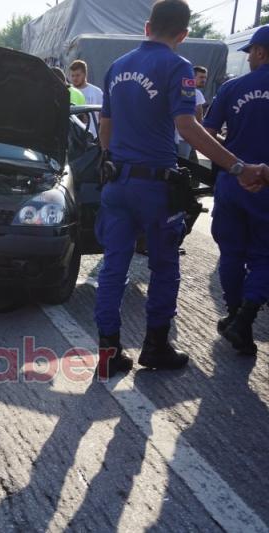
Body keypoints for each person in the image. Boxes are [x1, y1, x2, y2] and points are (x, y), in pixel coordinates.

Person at [94, 0, 268, 378]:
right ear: (184, 34)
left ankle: (108, 353)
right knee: (163, 267)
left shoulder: (116, 67)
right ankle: (155, 346)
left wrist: (111, 158)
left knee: (113, 268)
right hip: (155, 188)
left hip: (117, 182)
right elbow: (188, 127)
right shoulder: (178, 66)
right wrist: (238, 167)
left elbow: (105, 128)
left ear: (146, 27)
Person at [203, 25, 269, 356]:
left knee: (232, 253)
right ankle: (243, 319)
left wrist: (235, 161)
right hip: (266, 184)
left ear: (259, 52)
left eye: (252, 54)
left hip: (234, 179)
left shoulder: (232, 88)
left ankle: (233, 316)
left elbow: (207, 133)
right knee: (265, 256)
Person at [176, 65, 208, 160]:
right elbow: (199, 117)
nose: (204, 80)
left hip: (175, 137)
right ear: (192, 77)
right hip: (186, 138)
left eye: (205, 77)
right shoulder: (196, 93)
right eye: (201, 77)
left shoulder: (178, 90)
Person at [69, 60, 103, 136]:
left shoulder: (97, 92)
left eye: (77, 75)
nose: (74, 78)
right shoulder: (67, 92)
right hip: (74, 139)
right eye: (72, 75)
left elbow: (103, 115)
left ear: (85, 74)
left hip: (93, 138)